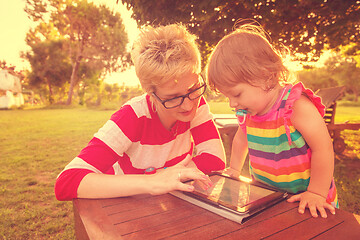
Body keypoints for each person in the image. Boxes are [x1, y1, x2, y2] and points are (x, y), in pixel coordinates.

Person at [55, 24, 226, 201]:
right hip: (123, 205)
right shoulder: (131, 117)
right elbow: (66, 183)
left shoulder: (196, 102)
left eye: (193, 88)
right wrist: (153, 182)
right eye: (173, 97)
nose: (188, 105)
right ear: (151, 93)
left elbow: (216, 159)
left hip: (165, 204)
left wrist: (173, 174)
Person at [206, 22, 338, 218]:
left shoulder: (294, 105)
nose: (232, 104)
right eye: (228, 97)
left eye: (237, 94)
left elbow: (323, 148)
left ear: (265, 76)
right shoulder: (248, 113)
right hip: (270, 196)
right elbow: (242, 139)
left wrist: (316, 192)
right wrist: (234, 168)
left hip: (310, 200)